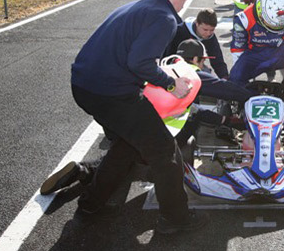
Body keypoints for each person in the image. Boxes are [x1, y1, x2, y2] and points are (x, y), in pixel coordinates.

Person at [57, 0, 207, 235]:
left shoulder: (137, 7)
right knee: (164, 150)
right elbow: (140, 62)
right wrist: (173, 85)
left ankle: (90, 206)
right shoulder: (163, 17)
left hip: (85, 85)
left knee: (127, 144)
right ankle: (176, 219)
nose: (185, 2)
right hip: (111, 93)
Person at [40, 39, 254, 195]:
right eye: (202, 61)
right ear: (196, 59)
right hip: (156, 135)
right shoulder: (190, 73)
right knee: (146, 165)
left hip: (125, 120)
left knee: (121, 157)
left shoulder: (162, 67)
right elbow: (222, 92)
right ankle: (88, 181)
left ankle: (82, 171)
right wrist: (253, 99)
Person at [164, 8, 229, 79]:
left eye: (212, 30)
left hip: (196, 66)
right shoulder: (179, 31)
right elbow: (166, 54)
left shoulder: (211, 37)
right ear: (197, 23)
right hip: (175, 67)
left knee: (207, 74)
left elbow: (217, 60)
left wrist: (224, 77)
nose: (208, 33)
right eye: (205, 29)